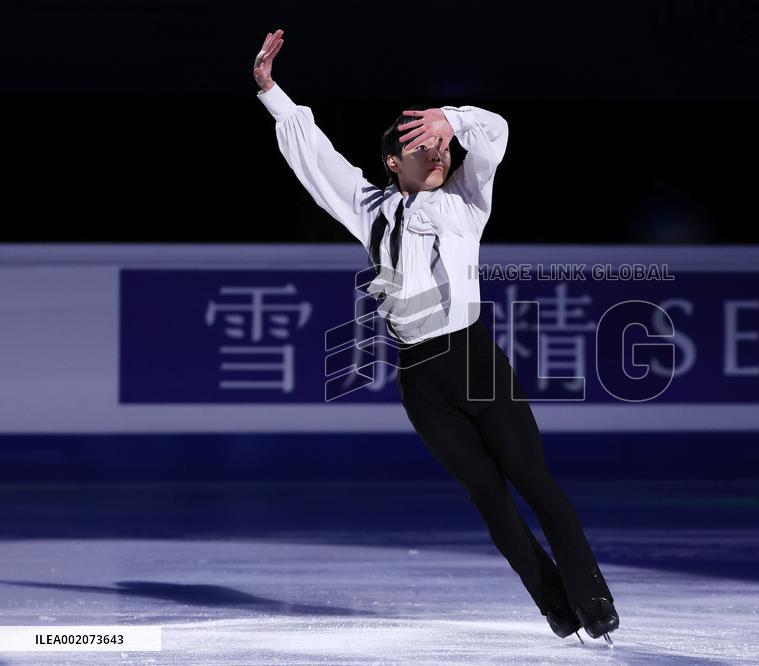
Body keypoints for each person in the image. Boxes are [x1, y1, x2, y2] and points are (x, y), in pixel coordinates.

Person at [252, 29, 619, 643]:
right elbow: (314, 157)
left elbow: (495, 133)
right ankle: (557, 606)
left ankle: (595, 599)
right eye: (422, 147)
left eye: (441, 145)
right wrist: (272, 92)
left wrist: (451, 117)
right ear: (393, 163)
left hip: (475, 360)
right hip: (421, 379)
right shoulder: (369, 208)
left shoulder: (465, 201)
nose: (438, 154)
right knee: (489, 499)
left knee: (535, 483)